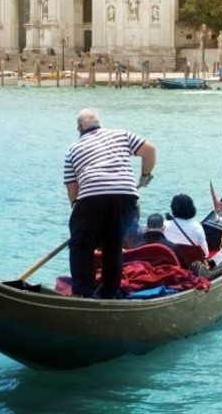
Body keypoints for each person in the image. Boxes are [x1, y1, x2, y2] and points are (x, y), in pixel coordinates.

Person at [63, 108, 156, 299]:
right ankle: (109, 292)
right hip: (126, 195)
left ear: (80, 128)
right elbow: (150, 150)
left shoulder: (73, 149)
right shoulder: (121, 135)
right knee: (113, 245)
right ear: (100, 124)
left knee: (81, 244)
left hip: (91, 197)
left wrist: (77, 209)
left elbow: (72, 187)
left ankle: (83, 292)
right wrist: (145, 175)